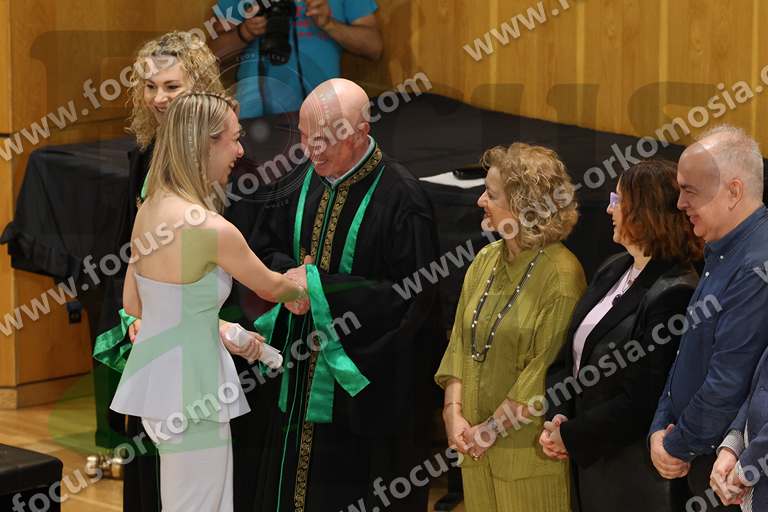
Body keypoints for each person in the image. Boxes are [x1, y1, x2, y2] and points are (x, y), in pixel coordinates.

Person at [230, 77, 443, 512]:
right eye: (305, 136)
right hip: (295, 374)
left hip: (362, 395)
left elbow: (414, 299)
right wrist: (287, 281)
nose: (312, 150)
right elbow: (264, 249)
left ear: (361, 132)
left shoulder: (402, 199)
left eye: (325, 139)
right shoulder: (297, 181)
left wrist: (321, 290)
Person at [110, 92, 307, 512]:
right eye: (233, 139)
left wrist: (220, 329)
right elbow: (271, 287)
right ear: (204, 143)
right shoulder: (210, 227)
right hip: (193, 389)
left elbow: (136, 304)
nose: (240, 151)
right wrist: (304, 285)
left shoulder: (148, 209)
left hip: (157, 384)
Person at [91, 30, 229, 512]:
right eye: (150, 87)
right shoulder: (145, 155)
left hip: (203, 342)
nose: (158, 98)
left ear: (201, 86)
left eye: (172, 86)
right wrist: (133, 317)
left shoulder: (225, 157)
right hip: (154, 337)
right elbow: (128, 252)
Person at [541, 160, 701, 512]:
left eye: (618, 200)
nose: (609, 209)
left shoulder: (675, 292)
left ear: (645, 213)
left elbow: (644, 398)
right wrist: (558, 415)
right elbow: (569, 356)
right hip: (593, 462)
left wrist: (572, 436)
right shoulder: (612, 267)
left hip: (633, 475)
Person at [435, 143, 586, 512]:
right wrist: (453, 413)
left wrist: (489, 431)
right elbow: (459, 344)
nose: (480, 201)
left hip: (527, 458)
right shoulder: (485, 259)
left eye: (491, 194)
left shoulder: (562, 277)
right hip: (475, 448)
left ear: (523, 206)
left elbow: (542, 373)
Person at [648, 125, 768, 510]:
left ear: (733, 191)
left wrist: (674, 444)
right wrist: (660, 428)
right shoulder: (721, 250)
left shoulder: (756, 264)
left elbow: (729, 380)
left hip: (726, 474)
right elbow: (687, 355)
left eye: (690, 190)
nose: (679, 203)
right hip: (703, 461)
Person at [208, 0, 382, 118]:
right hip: (253, 114)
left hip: (323, 116)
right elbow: (211, 56)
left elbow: (374, 47)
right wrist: (244, 33)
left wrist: (329, 24)